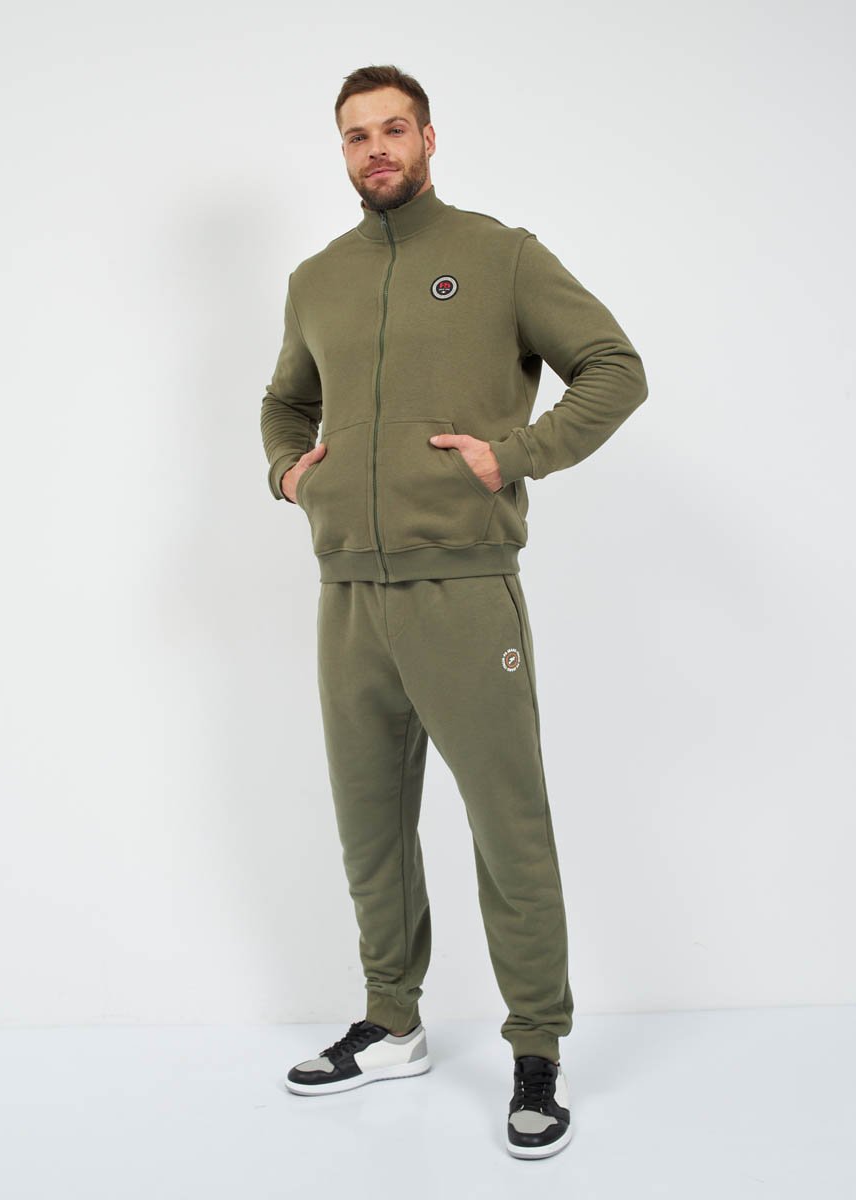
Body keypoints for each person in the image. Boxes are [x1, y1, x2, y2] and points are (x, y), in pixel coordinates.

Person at [260, 63, 648, 1159]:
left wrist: (516, 454)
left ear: (429, 139)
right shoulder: (317, 278)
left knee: (506, 825)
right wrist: (290, 471)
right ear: (342, 152)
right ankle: (392, 1023)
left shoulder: (498, 255)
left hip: (465, 588)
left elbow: (613, 368)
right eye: (356, 135)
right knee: (369, 825)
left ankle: (537, 1049)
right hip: (348, 592)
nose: (375, 149)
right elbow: (285, 399)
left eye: (393, 129)